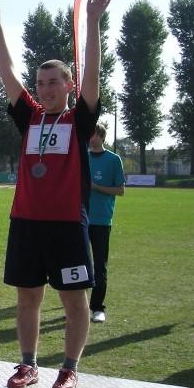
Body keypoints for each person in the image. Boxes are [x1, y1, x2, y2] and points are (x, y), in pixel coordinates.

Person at [0, 0, 112, 388]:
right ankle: (28, 364)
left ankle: (69, 368)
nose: (45, 88)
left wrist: (93, 22)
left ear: (69, 85)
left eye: (54, 82)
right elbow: (7, 73)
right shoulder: (31, 118)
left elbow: (93, 75)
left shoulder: (78, 121)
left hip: (66, 227)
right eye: (41, 83)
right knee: (27, 299)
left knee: (75, 303)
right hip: (25, 223)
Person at [87, 123, 125, 323]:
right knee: (78, 264)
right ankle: (77, 305)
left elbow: (120, 190)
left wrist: (95, 186)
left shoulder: (113, 160)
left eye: (94, 134)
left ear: (101, 137)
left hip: (101, 219)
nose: (91, 138)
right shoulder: (81, 157)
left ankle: (97, 308)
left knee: (99, 265)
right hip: (80, 218)